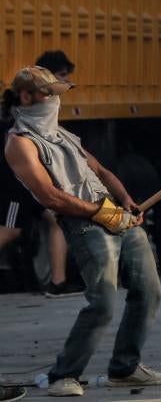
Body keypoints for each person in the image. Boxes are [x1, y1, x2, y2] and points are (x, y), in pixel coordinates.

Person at [4, 66, 161, 397]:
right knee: (103, 301)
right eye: (48, 93)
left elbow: (102, 171)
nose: (54, 100)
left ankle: (125, 368)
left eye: (56, 94)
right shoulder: (21, 143)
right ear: (25, 97)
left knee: (148, 291)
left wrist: (126, 202)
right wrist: (100, 214)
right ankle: (64, 375)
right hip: (85, 224)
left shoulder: (63, 135)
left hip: (113, 212)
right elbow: (49, 196)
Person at [31, 51, 86, 297]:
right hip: (21, 177)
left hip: (31, 174)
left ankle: (59, 281)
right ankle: (58, 282)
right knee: (54, 219)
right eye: (62, 76)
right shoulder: (38, 101)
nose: (67, 82)